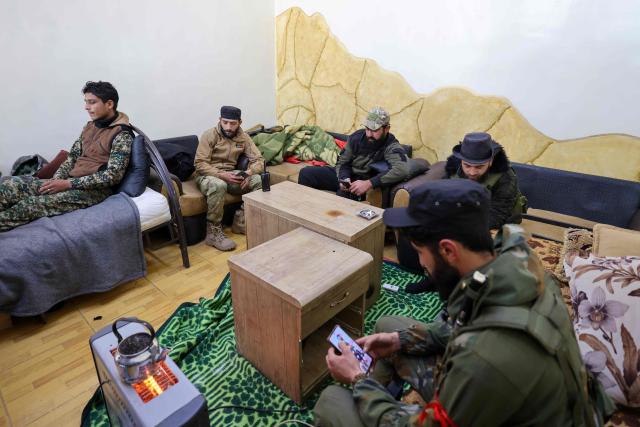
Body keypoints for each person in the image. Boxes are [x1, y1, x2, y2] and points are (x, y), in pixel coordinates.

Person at [313, 179, 614, 427]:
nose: (421, 264)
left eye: (420, 252)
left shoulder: (484, 358)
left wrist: (359, 379)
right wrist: (397, 340)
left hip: (492, 388)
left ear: (448, 250)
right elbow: (458, 324)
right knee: (389, 327)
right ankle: (383, 398)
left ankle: (373, 403)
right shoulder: (513, 268)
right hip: (508, 394)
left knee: (333, 403)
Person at [0, 81, 133, 231]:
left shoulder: (122, 134)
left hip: (94, 190)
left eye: (92, 102)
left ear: (109, 104)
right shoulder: (90, 126)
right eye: (86, 102)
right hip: (70, 180)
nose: (86, 107)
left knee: (29, 204)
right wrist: (56, 180)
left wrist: (67, 184)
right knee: (8, 185)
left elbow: (112, 176)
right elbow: (72, 157)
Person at [405, 131, 526, 293]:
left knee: (460, 242)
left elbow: (498, 214)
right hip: (465, 211)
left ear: (490, 162)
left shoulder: (505, 177)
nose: (471, 172)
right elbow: (444, 194)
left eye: (478, 167)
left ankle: (457, 286)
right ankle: (435, 278)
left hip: (498, 219)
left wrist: (459, 226)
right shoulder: (454, 167)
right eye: (467, 165)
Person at [298, 106, 410, 201]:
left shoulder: (391, 146)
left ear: (387, 129)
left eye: (374, 130)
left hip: (363, 183)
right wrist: (344, 178)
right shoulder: (356, 138)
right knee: (306, 173)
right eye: (367, 128)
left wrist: (369, 183)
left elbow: (402, 169)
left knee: (343, 198)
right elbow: (342, 161)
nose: (369, 134)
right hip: (348, 178)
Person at [194, 105, 264, 251]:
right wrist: (220, 175)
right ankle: (212, 233)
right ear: (219, 120)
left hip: (231, 174)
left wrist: (248, 173)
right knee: (219, 185)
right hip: (208, 175)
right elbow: (200, 164)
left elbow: (259, 160)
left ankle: (241, 222)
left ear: (240, 122)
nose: (228, 126)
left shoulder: (243, 138)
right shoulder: (209, 135)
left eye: (233, 123)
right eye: (225, 122)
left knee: (259, 180)